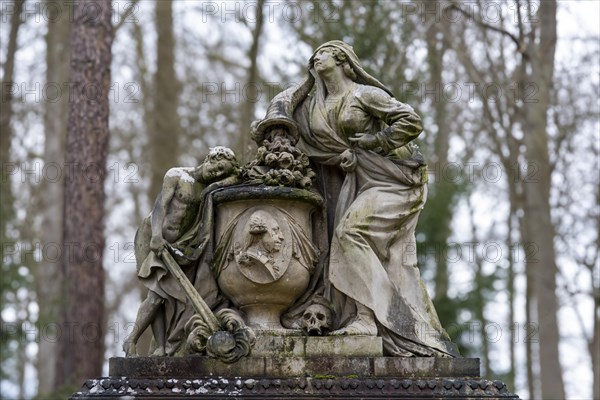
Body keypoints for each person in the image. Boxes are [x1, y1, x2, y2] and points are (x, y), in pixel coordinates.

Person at [257, 41, 458, 357]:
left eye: (323, 53)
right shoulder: (313, 106)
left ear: (341, 59)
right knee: (345, 241)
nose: (316, 57)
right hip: (359, 181)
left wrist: (374, 143)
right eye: (314, 55)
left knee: (350, 233)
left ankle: (388, 318)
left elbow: (411, 120)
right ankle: (363, 316)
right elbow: (293, 130)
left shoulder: (364, 94)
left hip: (394, 180)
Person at [123, 147, 239, 356]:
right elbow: (160, 206)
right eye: (217, 166)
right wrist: (157, 236)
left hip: (177, 244)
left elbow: (234, 181)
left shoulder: (209, 189)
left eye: (222, 172)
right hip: (151, 234)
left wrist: (227, 178)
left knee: (164, 295)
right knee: (157, 293)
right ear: (210, 158)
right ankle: (132, 340)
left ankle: (161, 346)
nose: (217, 172)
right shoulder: (177, 175)